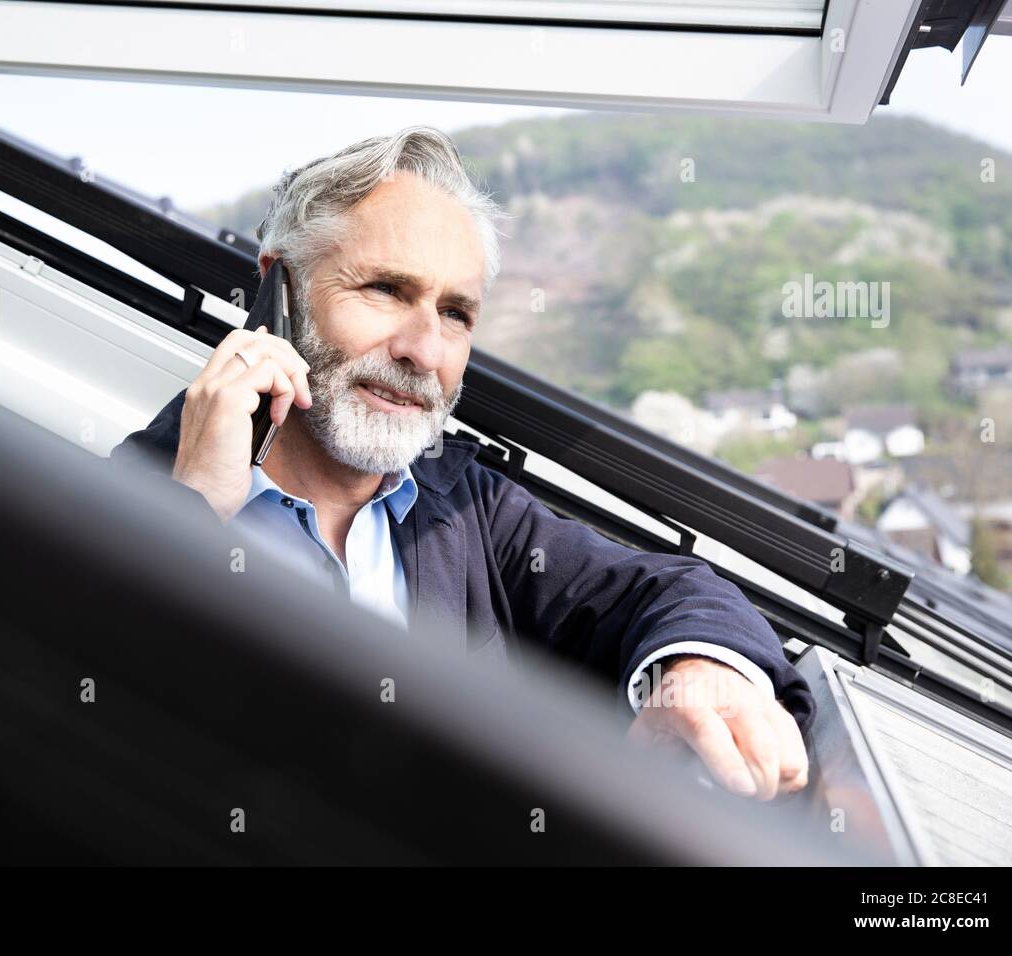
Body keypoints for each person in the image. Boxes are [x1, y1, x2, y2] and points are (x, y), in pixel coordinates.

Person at [112, 126, 811, 800]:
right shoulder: (124, 502)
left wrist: (699, 671)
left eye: (455, 313)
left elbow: (663, 590)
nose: (425, 350)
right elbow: (90, 730)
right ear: (279, 294)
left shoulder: (469, 509)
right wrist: (194, 508)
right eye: (386, 289)